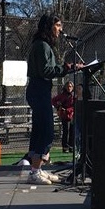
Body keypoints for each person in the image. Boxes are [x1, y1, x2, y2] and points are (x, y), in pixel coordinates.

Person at [25, 13, 82, 176]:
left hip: (39, 89)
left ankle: (37, 169)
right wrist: (66, 68)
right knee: (46, 131)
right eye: (57, 25)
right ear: (48, 27)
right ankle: (35, 171)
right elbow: (46, 70)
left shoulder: (42, 45)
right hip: (39, 89)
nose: (60, 29)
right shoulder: (42, 45)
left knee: (40, 129)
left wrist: (66, 67)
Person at [51, 81, 76, 153]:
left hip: (72, 115)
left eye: (70, 87)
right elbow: (53, 100)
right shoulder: (62, 95)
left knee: (72, 131)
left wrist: (68, 110)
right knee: (66, 131)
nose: (69, 88)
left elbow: (75, 105)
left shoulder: (74, 95)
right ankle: (65, 147)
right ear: (65, 87)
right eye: (68, 86)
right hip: (65, 116)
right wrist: (58, 106)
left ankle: (71, 146)